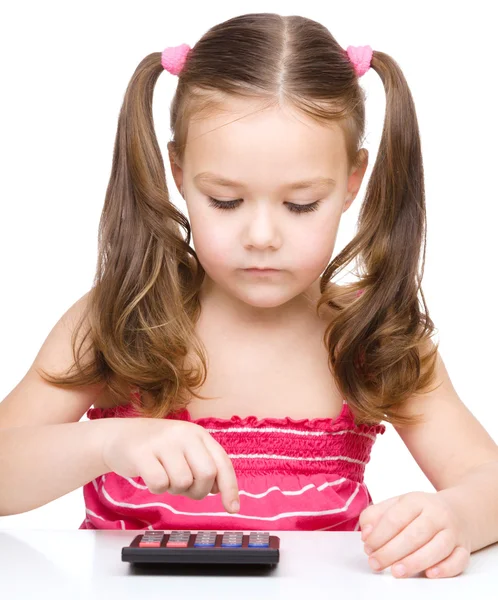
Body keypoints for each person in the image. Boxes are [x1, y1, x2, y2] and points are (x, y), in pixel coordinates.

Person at [1, 12, 498, 580]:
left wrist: (454, 516)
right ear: (180, 172)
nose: (262, 236)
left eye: (301, 204)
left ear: (353, 179)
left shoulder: (371, 336)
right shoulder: (123, 319)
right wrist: (105, 442)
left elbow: (490, 482)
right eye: (226, 201)